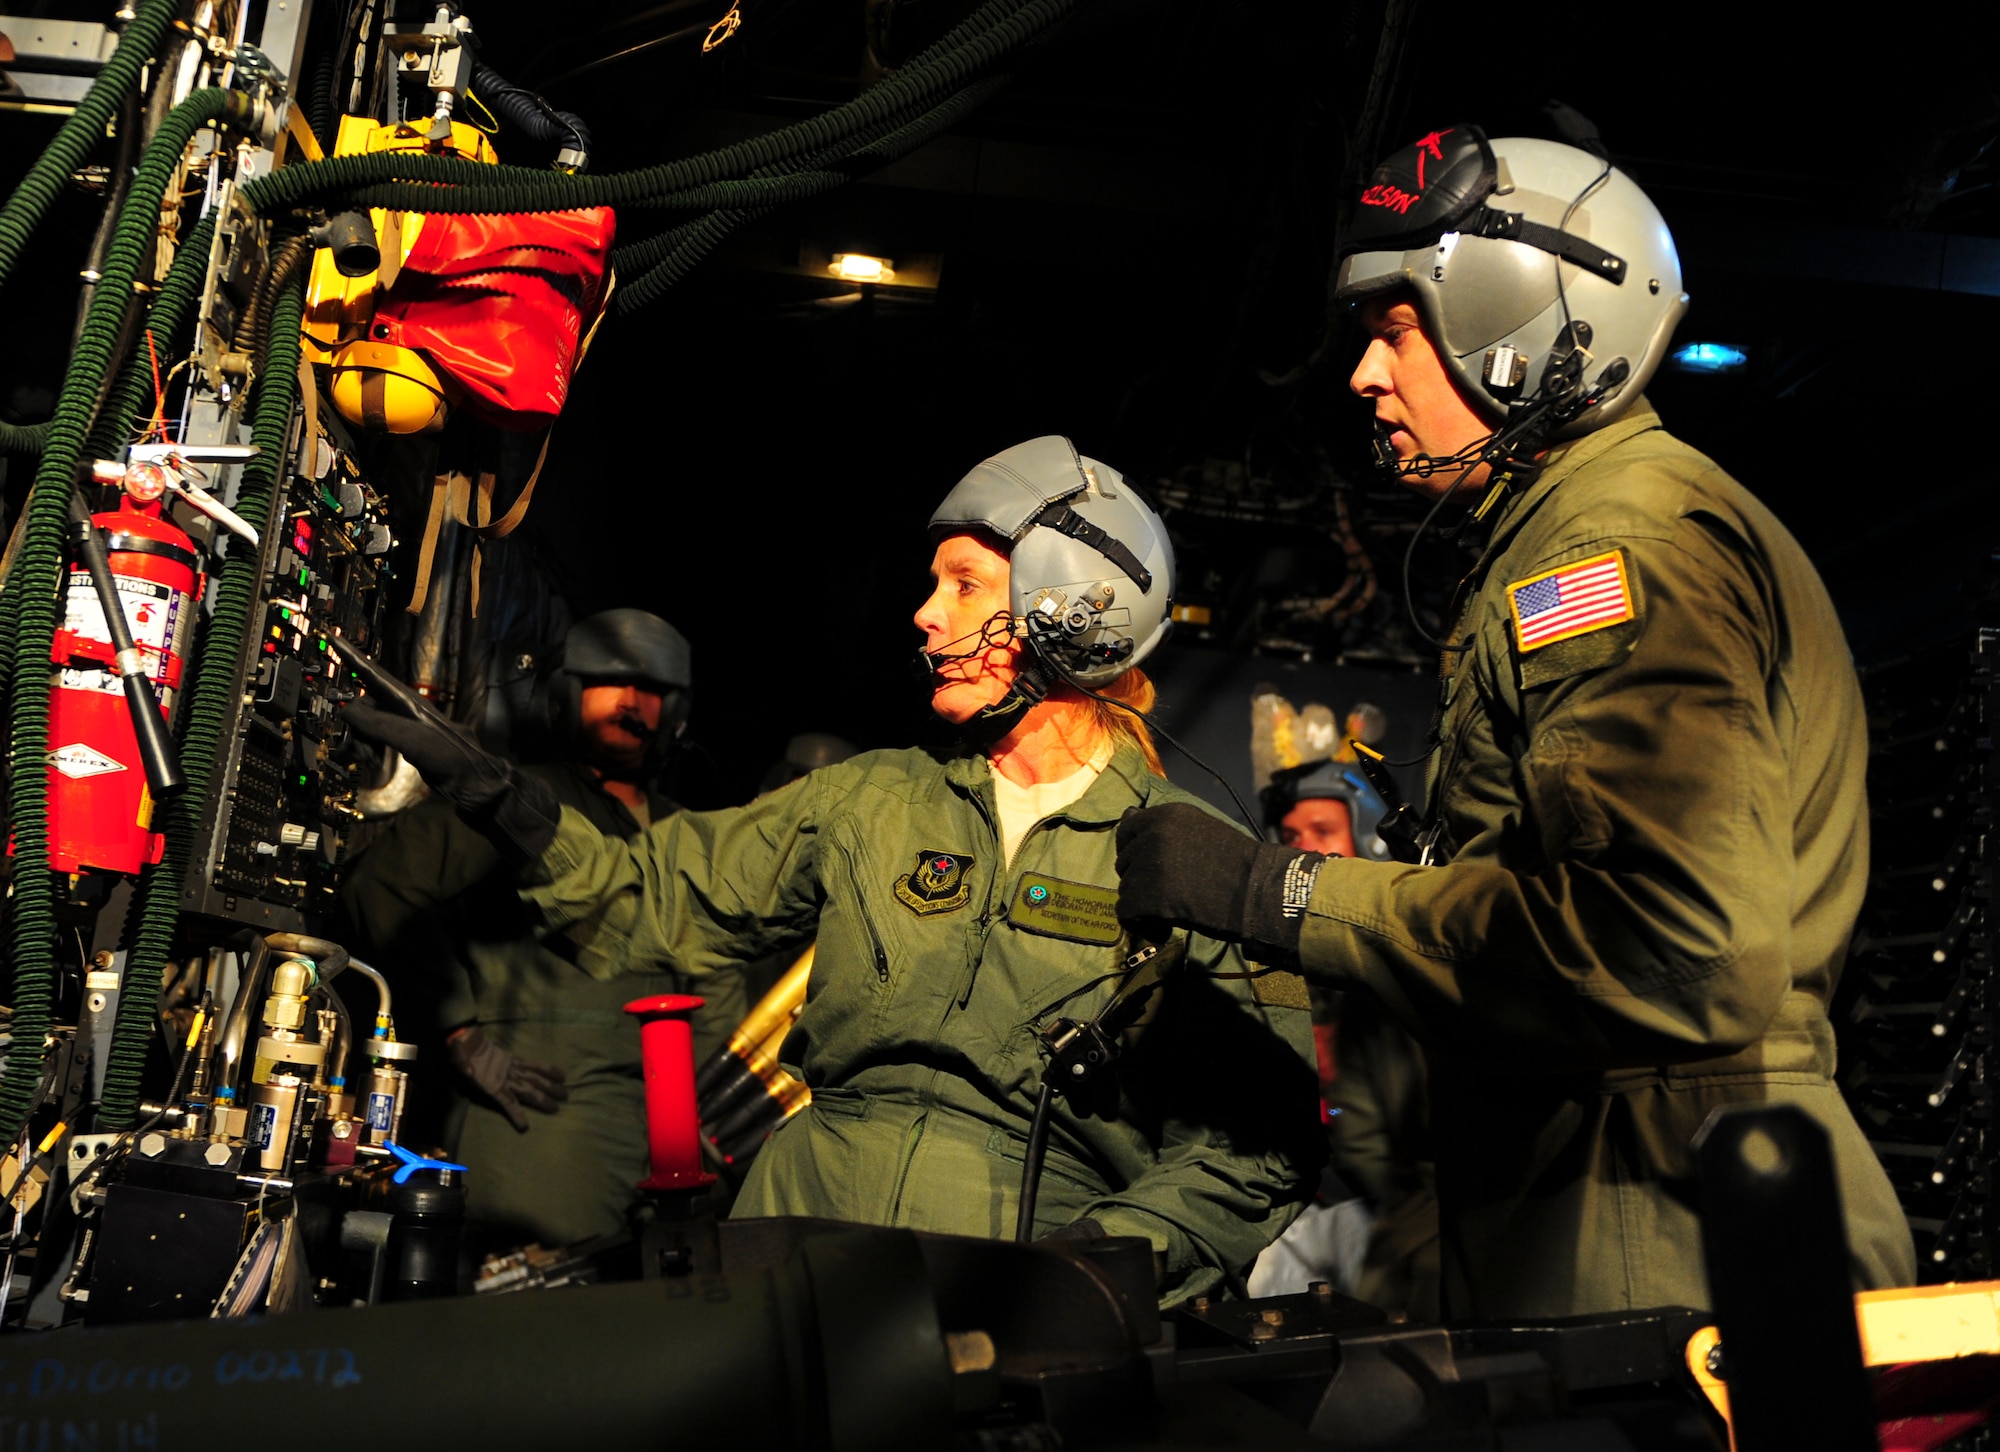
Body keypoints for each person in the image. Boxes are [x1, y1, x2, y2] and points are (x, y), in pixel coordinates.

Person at [1115, 126, 1915, 1318]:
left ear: (1517, 324)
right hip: (1632, 1204)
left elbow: (1671, 949)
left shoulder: (1613, 549)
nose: (1361, 378)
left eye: (1392, 333)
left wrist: (1276, 895)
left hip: (1660, 1235)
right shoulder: (1568, 536)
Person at [345, 436, 1322, 1305]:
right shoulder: (868, 801)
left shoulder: (1196, 859)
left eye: (964, 583)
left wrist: (1097, 1265)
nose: (925, 615)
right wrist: (500, 796)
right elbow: (641, 899)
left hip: (1004, 1287)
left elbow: (1257, 1149)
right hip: (786, 1250)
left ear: (1070, 604)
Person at [340, 608, 745, 1249]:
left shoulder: (688, 834)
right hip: (542, 1119)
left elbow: (717, 971)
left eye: (652, 690)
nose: (632, 702)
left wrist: (714, 1113)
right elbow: (382, 887)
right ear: (566, 696)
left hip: (668, 1134)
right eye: (611, 684)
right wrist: (461, 1032)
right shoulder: (519, 804)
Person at [1252, 748, 1439, 1319]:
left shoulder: (1405, 968)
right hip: (1292, 1206)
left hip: (1391, 1208)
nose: (1305, 847)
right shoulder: (1263, 968)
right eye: (1291, 834)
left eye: (1324, 829)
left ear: (1366, 841)